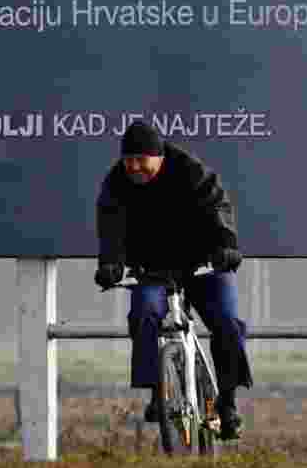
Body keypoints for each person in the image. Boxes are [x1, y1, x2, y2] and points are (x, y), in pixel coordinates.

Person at [94, 120, 252, 439]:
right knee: (144, 313)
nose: (134, 167)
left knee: (227, 321)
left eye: (142, 161)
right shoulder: (116, 183)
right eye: (128, 161)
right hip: (153, 269)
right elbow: (110, 227)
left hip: (203, 265)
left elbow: (217, 206)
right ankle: (157, 393)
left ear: (160, 155)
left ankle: (228, 404)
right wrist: (111, 264)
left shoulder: (190, 170)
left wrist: (226, 246)